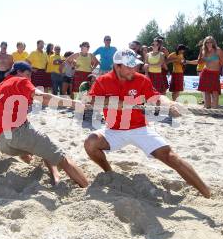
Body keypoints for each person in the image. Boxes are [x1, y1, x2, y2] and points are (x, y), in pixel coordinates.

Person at [83, 49, 211, 198]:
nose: (134, 69)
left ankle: (207, 193)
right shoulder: (102, 80)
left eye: (135, 65)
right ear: (117, 66)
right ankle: (109, 172)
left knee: (171, 156)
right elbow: (89, 100)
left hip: (139, 128)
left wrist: (169, 104)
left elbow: (157, 97)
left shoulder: (142, 79)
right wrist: (117, 103)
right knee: (90, 143)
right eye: (129, 66)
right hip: (113, 129)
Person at [0, 61, 88, 187]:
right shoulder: (20, 81)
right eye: (28, 74)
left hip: (1, 141)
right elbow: (44, 98)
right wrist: (75, 104)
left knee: (42, 144)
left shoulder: (0, 86)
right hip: (17, 133)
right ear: (19, 72)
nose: (30, 78)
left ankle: (55, 177)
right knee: (62, 157)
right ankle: (86, 187)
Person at [197, 36, 223, 109]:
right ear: (205, 43)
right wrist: (200, 52)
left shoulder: (218, 50)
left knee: (215, 92)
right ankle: (208, 108)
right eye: (207, 42)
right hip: (205, 72)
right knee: (206, 91)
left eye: (210, 42)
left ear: (213, 42)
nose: (208, 43)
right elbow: (199, 62)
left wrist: (221, 71)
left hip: (215, 73)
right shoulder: (204, 51)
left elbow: (222, 63)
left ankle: (215, 109)